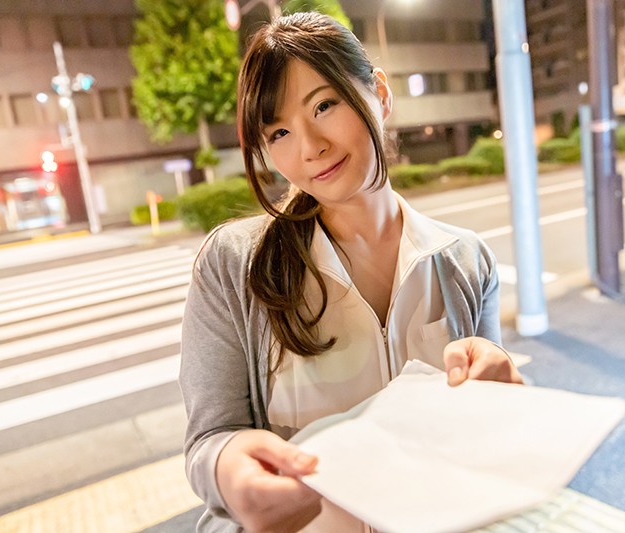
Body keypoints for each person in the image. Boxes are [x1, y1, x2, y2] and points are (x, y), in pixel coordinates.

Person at [179, 11, 523, 532]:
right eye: (278, 132)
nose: (310, 147)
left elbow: (485, 440)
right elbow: (209, 440)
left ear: (379, 94)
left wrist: (503, 392)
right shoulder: (235, 264)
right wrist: (228, 468)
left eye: (324, 104)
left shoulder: (465, 260)